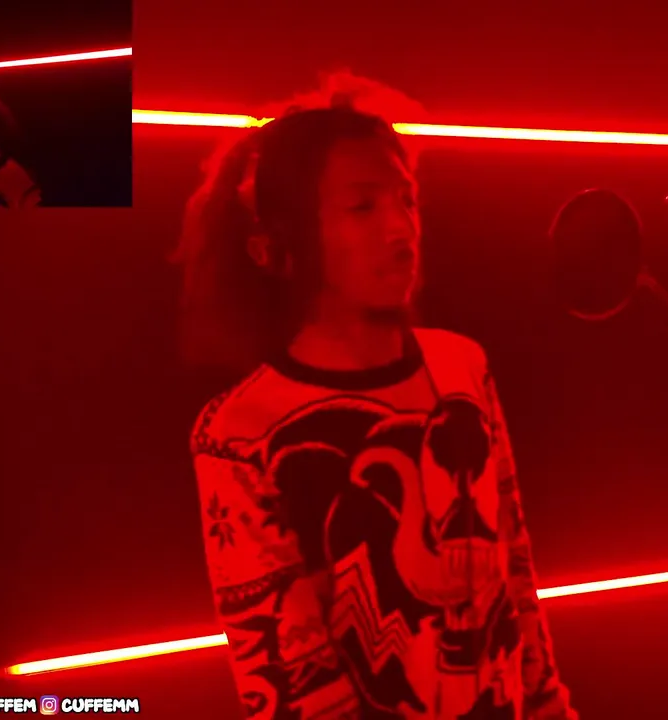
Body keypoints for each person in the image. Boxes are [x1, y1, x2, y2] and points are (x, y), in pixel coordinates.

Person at [177, 74, 578, 720]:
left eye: (407, 200)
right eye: (362, 207)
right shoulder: (240, 432)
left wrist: (549, 702)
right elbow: (285, 673)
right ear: (283, 242)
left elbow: (515, 573)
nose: (400, 228)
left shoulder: (462, 367)